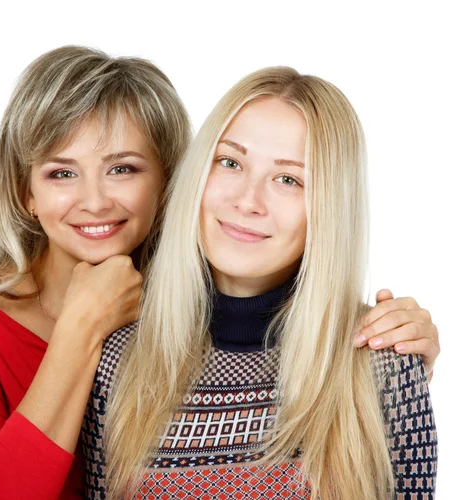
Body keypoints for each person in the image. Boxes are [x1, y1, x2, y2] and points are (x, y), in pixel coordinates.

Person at [83, 67, 438, 499]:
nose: (247, 200)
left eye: (288, 179)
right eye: (230, 162)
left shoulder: (384, 367)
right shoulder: (119, 363)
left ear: (327, 207)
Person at [0, 45, 191, 500]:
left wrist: (339, 320)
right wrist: (83, 324)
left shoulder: (198, 313)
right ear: (27, 193)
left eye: (122, 169)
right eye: (62, 174)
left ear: (167, 182)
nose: (94, 201)